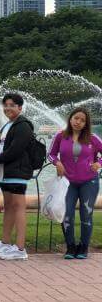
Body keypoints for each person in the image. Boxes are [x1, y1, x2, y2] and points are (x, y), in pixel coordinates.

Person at [0, 93, 34, 261]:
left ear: (20, 107)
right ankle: (5, 243)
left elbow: (15, 151)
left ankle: (20, 249)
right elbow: (2, 151)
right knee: (10, 208)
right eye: (5, 105)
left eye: (12, 105)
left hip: (17, 173)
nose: (8, 108)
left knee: (19, 207)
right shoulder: (7, 126)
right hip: (6, 173)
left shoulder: (23, 125)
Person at [48, 107, 102, 259]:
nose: (78, 122)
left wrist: (99, 162)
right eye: (75, 118)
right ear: (70, 119)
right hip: (67, 182)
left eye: (82, 120)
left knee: (86, 214)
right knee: (67, 214)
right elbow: (50, 154)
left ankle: (83, 247)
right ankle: (70, 247)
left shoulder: (92, 138)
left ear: (86, 123)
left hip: (89, 182)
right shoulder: (60, 136)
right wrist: (57, 163)